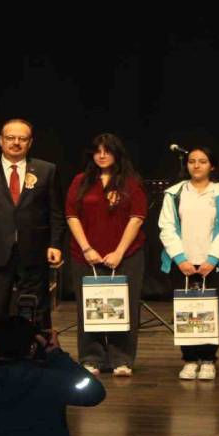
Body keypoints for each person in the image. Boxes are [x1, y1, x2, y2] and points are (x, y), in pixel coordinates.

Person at [0, 118, 65, 353]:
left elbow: (56, 212)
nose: (16, 142)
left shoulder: (47, 170)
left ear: (30, 142)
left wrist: (56, 243)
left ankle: (40, 356)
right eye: (10, 138)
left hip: (34, 251)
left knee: (37, 310)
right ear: (1, 140)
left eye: (22, 138)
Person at [65, 133, 147, 376]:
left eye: (107, 151)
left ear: (117, 154)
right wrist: (87, 248)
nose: (101, 156)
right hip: (86, 255)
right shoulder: (81, 180)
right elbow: (71, 215)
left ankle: (122, 359)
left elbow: (137, 218)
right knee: (89, 307)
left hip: (126, 255)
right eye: (97, 151)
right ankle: (92, 358)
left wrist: (119, 252)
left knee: (125, 306)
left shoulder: (130, 182)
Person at [158, 146, 219, 380]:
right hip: (182, 263)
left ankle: (208, 359)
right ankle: (189, 359)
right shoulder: (174, 193)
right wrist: (180, 259)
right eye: (192, 161)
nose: (196, 165)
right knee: (185, 312)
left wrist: (212, 259)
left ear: (212, 166)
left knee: (210, 313)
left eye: (202, 161)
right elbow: (166, 227)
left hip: (213, 264)